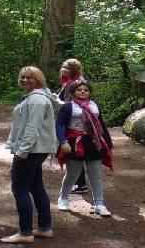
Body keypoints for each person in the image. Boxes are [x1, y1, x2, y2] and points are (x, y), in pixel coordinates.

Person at [1, 66, 58, 244]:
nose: (25, 80)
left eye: (30, 77)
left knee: (20, 189)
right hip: (36, 150)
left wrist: (22, 151)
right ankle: (45, 228)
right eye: (23, 77)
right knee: (36, 187)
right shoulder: (36, 97)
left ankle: (25, 232)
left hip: (32, 150)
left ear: (38, 79)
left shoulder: (37, 100)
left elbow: (32, 129)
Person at [54, 79, 114, 217]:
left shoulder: (94, 105)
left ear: (90, 93)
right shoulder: (68, 106)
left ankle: (99, 203)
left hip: (93, 142)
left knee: (95, 173)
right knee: (73, 173)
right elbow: (59, 125)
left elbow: (101, 124)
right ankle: (63, 198)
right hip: (74, 142)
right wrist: (63, 142)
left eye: (86, 90)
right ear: (73, 92)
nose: (82, 92)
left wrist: (108, 143)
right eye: (79, 90)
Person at [56, 58, 88, 194]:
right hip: (74, 120)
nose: (64, 70)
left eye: (67, 68)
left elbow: (71, 104)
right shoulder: (70, 81)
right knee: (75, 152)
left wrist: (57, 100)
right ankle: (78, 182)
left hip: (73, 123)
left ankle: (79, 183)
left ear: (73, 70)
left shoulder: (74, 83)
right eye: (63, 67)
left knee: (74, 152)